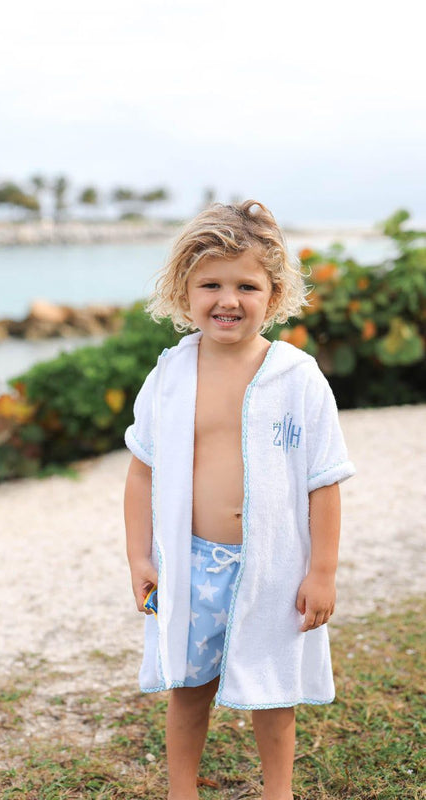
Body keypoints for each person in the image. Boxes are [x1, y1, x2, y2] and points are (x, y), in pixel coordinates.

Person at [123, 200, 355, 800]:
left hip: (272, 567)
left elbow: (323, 480)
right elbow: (142, 472)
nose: (228, 299)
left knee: (273, 692)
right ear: (184, 291)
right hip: (190, 561)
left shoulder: (297, 378)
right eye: (211, 284)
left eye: (246, 285)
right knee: (188, 687)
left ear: (274, 295)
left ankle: (277, 791)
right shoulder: (170, 375)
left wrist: (322, 572)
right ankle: (182, 790)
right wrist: (139, 557)